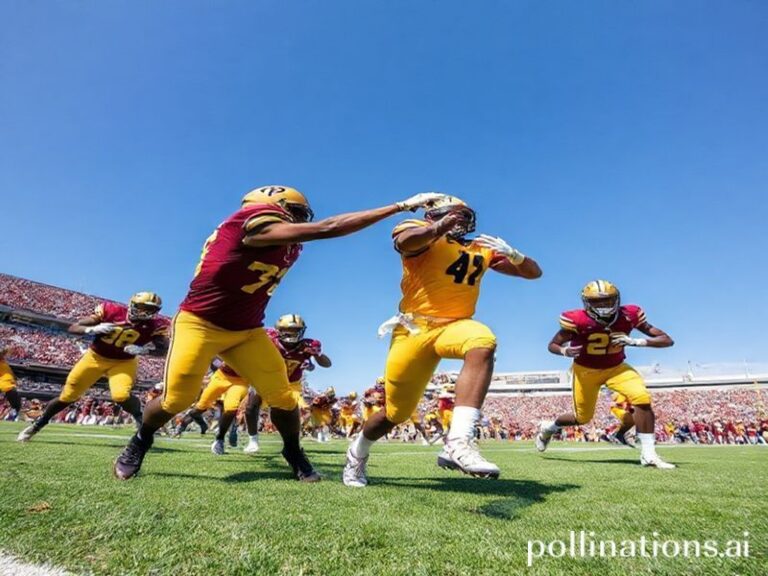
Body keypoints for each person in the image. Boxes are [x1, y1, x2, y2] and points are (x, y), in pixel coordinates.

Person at [112, 186, 446, 481]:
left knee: (284, 397)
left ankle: (292, 451)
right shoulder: (251, 219)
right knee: (178, 399)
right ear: (274, 205)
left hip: (247, 329)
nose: (298, 221)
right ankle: (140, 440)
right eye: (296, 213)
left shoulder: (287, 244)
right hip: (200, 322)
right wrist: (400, 206)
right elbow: (326, 228)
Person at [343, 195, 542, 487]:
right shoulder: (419, 230)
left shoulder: (480, 248)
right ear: (433, 215)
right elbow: (407, 242)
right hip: (414, 329)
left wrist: (515, 255)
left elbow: (534, 273)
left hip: (456, 326)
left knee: (483, 339)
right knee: (396, 413)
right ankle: (357, 453)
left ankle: (458, 441)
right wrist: (438, 229)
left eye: (464, 215)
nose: (460, 220)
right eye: (453, 214)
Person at [535, 280, 675, 469]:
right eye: (597, 302)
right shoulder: (577, 320)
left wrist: (636, 342)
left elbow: (667, 340)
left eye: (608, 300)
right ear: (587, 303)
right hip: (586, 371)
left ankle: (649, 455)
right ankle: (549, 428)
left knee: (642, 398)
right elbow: (553, 345)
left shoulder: (629, 315)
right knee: (582, 418)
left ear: (616, 299)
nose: (603, 306)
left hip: (617, 368)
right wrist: (564, 351)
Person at [18, 293, 168, 441]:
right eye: (142, 307)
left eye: (150, 309)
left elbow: (164, 348)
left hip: (124, 362)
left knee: (121, 395)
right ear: (132, 304)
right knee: (68, 396)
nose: (144, 312)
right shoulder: (111, 310)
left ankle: (140, 418)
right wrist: (91, 329)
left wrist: (145, 350)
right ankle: (39, 423)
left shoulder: (156, 325)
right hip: (94, 357)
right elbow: (74, 327)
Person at [242, 314, 330, 453]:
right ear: (278, 330)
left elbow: (326, 364)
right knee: (251, 406)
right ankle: (253, 440)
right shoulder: (269, 338)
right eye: (288, 330)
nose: (292, 333)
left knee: (289, 411)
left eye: (296, 330)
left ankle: (291, 444)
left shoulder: (307, 345)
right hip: (269, 378)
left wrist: (317, 354)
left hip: (292, 383)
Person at [0, 347, 21, 421]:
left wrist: (16, 379)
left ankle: (12, 416)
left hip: (9, 384)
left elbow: (10, 373)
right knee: (15, 400)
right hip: (4, 384)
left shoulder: (4, 363)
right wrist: (5, 350)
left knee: (17, 404)